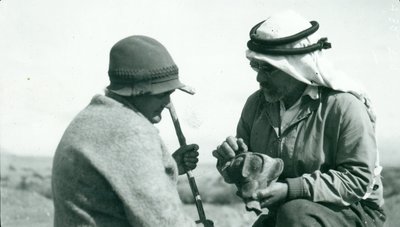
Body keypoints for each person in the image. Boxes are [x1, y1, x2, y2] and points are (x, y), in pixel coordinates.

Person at [212, 10, 386, 227]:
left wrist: (290, 190)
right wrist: (232, 160)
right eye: (256, 67)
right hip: (289, 213)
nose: (259, 77)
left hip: (355, 212)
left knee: (294, 214)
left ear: (296, 66)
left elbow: (357, 180)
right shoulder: (255, 105)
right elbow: (251, 173)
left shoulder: (344, 106)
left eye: (268, 69)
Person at [52, 35, 203, 226]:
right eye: (163, 94)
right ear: (138, 91)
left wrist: (168, 166)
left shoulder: (92, 117)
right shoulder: (130, 131)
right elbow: (163, 222)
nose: (167, 104)